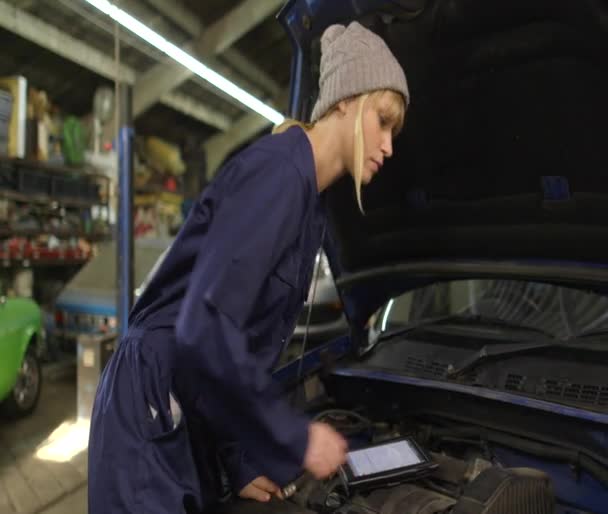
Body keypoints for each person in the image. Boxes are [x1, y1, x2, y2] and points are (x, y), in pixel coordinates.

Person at [88, 20, 409, 514]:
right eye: (383, 121)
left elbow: (234, 352)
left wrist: (240, 461)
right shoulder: (279, 172)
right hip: (150, 404)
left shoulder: (310, 209)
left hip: (186, 407)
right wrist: (295, 437)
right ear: (346, 101)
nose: (388, 145)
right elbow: (206, 327)